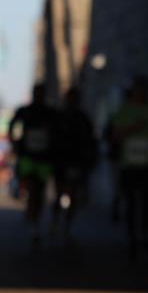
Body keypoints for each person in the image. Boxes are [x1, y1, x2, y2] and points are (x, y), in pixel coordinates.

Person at [109, 76, 148, 259]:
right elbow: (115, 136)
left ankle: (144, 235)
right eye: (139, 90)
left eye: (144, 90)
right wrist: (134, 127)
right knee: (131, 201)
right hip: (129, 164)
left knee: (147, 201)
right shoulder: (124, 111)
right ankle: (132, 238)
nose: (142, 93)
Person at [8, 83, 58, 248]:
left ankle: (35, 218)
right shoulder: (25, 110)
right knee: (31, 188)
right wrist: (14, 143)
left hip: (43, 158)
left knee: (41, 190)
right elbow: (12, 125)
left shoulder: (50, 113)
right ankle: (32, 216)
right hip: (28, 158)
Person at [51, 87, 97, 243]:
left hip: (75, 162)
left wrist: (88, 159)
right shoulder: (59, 117)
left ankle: (66, 225)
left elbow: (90, 141)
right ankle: (57, 221)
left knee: (72, 194)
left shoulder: (82, 118)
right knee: (59, 193)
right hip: (61, 162)